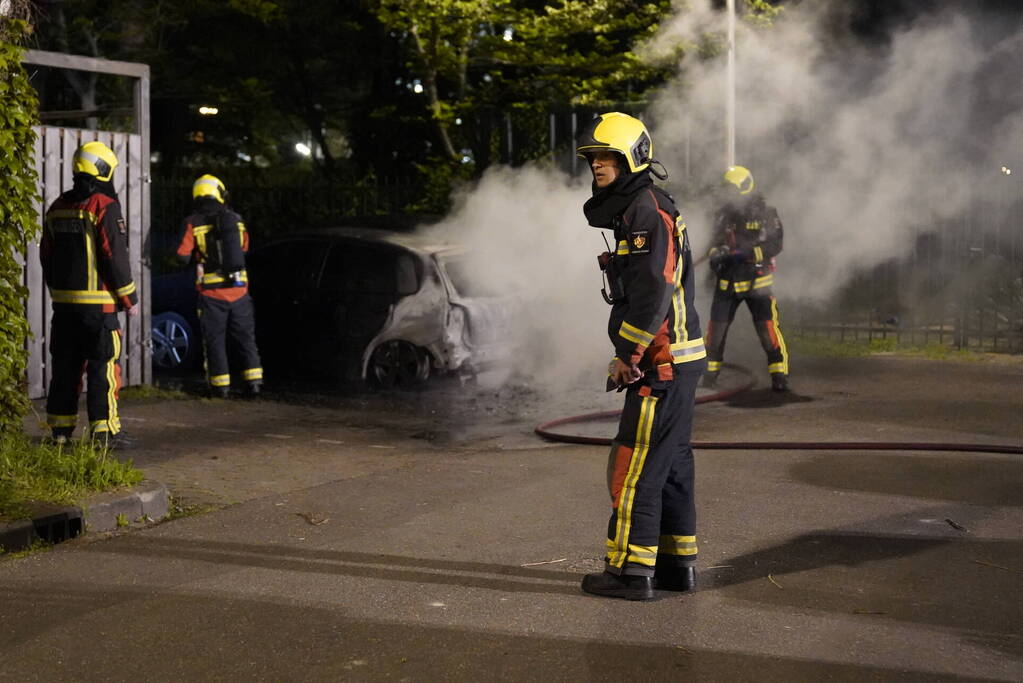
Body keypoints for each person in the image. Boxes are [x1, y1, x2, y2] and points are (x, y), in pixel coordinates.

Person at [576, 112, 707, 601]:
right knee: (672, 464)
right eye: (592, 159)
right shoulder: (645, 206)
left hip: (660, 360)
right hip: (679, 358)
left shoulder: (646, 210)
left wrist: (627, 354)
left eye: (605, 157)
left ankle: (630, 573)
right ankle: (676, 565)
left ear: (632, 154)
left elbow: (654, 289)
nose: (597, 167)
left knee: (634, 464)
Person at [40, 141, 139, 448]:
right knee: (103, 367)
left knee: (65, 368)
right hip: (99, 310)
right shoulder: (103, 205)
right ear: (104, 169)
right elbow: (114, 256)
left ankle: (59, 431)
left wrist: (58, 292)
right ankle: (104, 432)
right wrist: (129, 299)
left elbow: (47, 255)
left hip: (65, 307)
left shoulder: (58, 206)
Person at [703, 165, 789, 391]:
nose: (727, 194)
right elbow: (713, 244)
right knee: (715, 334)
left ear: (743, 187)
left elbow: (776, 244)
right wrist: (717, 255)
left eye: (731, 189)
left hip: (757, 283)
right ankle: (709, 377)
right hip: (727, 284)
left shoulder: (766, 213)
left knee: (767, 331)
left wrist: (749, 253)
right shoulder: (723, 214)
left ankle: (779, 376)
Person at [176, 174, 263, 398]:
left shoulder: (191, 222)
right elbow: (243, 248)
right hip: (239, 290)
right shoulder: (236, 219)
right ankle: (253, 383)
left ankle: (220, 387)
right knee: (246, 338)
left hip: (212, 294)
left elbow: (182, 255)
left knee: (214, 341)